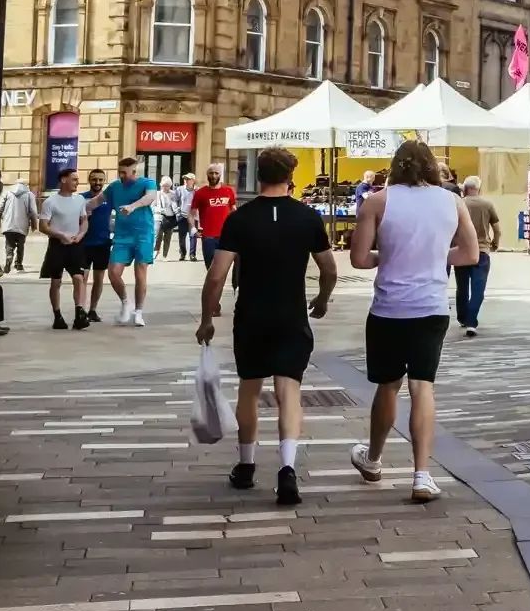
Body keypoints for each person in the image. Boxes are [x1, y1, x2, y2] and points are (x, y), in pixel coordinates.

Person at [199, 146, 337, 506]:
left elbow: (216, 276)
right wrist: (322, 299)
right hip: (291, 315)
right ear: (290, 176)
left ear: (258, 175)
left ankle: (246, 466)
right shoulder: (308, 217)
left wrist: (206, 318)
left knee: (249, 389)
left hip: (252, 315)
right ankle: (287, 469)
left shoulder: (240, 219)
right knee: (288, 391)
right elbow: (329, 269)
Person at [348, 139, 477, 502]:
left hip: (389, 309)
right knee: (422, 387)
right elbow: (470, 254)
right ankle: (422, 475)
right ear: (431, 166)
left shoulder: (377, 201)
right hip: (430, 308)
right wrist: (433, 255)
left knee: (388, 385)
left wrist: (388, 256)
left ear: (395, 165)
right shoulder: (452, 201)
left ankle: (373, 459)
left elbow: (359, 259)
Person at [101, 155, 162, 326]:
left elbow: (150, 197)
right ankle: (126, 302)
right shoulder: (115, 186)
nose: (121, 176)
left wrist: (132, 206)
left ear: (134, 172)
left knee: (140, 272)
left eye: (124, 173)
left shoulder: (147, 183)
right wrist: (81, 206)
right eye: (119, 172)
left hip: (143, 234)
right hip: (122, 235)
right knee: (113, 272)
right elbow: (98, 200)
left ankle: (139, 312)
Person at [39, 168, 93, 330]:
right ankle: (57, 316)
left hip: (75, 245)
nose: (77, 182)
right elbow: (43, 226)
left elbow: (84, 220)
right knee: (56, 281)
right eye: (74, 179)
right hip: (57, 245)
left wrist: (81, 234)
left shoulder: (80, 200)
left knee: (79, 278)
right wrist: (60, 235)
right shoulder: (50, 202)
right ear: (63, 180)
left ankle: (79, 314)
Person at [456, 174, 500, 337]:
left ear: (465, 189)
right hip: (481, 251)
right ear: (478, 188)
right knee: (478, 288)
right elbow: (497, 229)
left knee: (462, 287)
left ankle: (462, 317)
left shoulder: (459, 203)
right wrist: (495, 243)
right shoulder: (487, 204)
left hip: (461, 250)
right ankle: (471, 322)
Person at [81, 169, 113, 322]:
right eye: (94, 179)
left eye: (101, 180)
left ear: (104, 181)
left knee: (99, 279)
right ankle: (81, 309)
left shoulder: (109, 199)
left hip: (103, 244)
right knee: (82, 279)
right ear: (89, 180)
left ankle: (93, 310)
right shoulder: (80, 198)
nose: (97, 183)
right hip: (83, 244)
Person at [191, 164, 238, 266]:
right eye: (211, 173)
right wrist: (193, 229)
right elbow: (191, 213)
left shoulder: (229, 190)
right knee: (211, 267)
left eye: (216, 173)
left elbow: (234, 210)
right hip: (208, 237)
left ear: (220, 175)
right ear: (207, 174)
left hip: (226, 236)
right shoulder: (200, 193)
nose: (213, 176)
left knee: (224, 267)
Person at [0, 177, 38, 275]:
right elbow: (33, 211)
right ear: (25, 185)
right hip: (22, 225)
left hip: (8, 223)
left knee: (9, 244)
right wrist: (34, 225)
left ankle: (9, 258)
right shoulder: (29, 195)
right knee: (20, 245)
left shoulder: (7, 192)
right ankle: (18, 264)